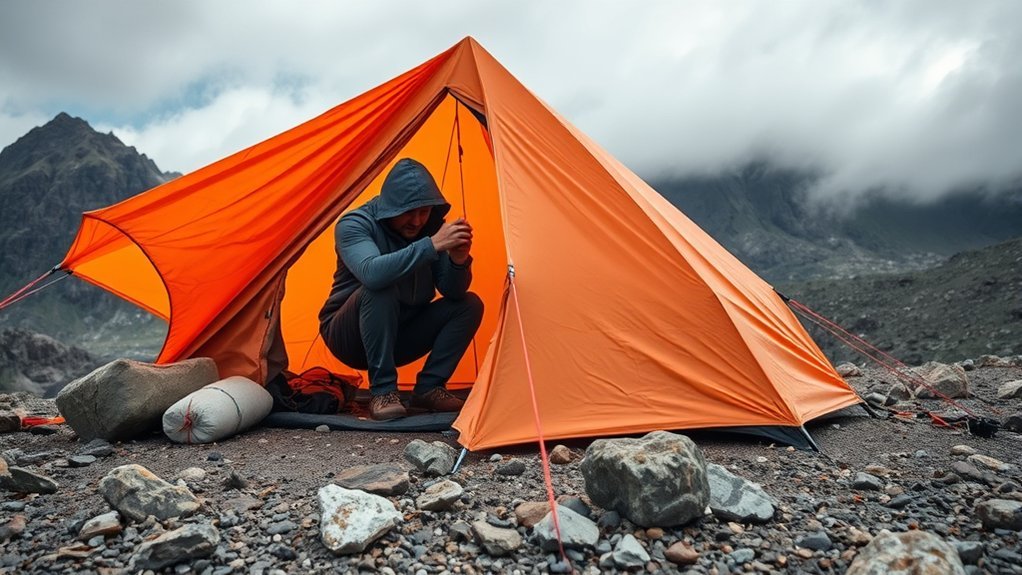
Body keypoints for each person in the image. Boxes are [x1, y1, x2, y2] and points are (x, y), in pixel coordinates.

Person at [318, 158, 484, 420]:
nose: (417, 221)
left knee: (469, 304)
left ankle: (429, 388)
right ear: (389, 207)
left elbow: (453, 293)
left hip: (401, 332)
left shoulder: (432, 229)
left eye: (424, 211)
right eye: (408, 212)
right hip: (348, 336)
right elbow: (372, 274)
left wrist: (458, 260)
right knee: (380, 286)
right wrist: (431, 246)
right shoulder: (354, 224)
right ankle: (383, 391)